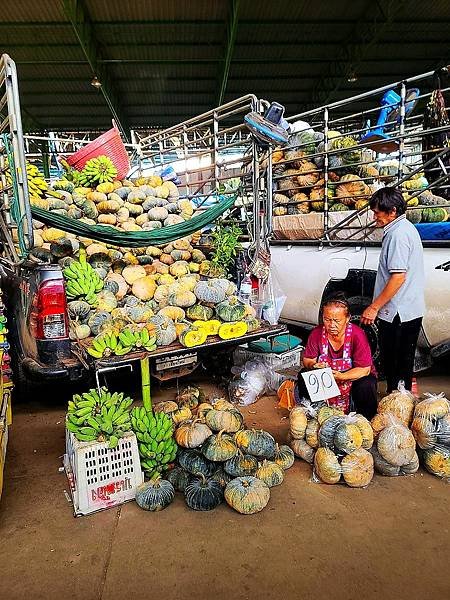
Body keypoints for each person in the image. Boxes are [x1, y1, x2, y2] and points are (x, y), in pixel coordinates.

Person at [361, 187, 425, 393]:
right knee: (402, 366)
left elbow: (398, 277)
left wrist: (374, 307)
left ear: (392, 211)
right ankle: (399, 404)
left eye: (377, 213)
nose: (374, 217)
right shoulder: (405, 228)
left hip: (398, 313)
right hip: (408, 310)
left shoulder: (397, 235)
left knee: (395, 365)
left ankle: (396, 409)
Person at [302, 296, 378, 419]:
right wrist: (314, 365)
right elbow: (308, 360)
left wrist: (342, 376)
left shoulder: (357, 334)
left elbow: (365, 369)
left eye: (337, 321)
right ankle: (314, 415)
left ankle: (366, 420)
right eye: (327, 319)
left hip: (351, 379)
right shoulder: (316, 334)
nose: (331, 325)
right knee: (304, 375)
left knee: (367, 383)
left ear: (347, 318)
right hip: (327, 379)